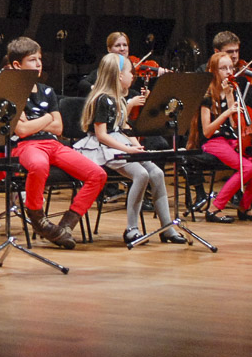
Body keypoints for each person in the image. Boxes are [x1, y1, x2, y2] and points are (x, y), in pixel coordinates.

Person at [2, 36, 107, 249]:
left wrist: (38, 122)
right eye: (32, 60)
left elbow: (58, 128)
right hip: (26, 146)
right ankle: (38, 219)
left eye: (39, 59)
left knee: (97, 174)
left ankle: (67, 224)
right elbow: (21, 131)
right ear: (17, 65)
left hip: (53, 145)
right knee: (39, 166)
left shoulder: (46, 91)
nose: (39, 63)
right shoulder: (11, 91)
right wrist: (48, 118)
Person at [75, 52, 182, 245]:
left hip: (119, 141)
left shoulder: (118, 99)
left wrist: (135, 145)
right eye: (130, 72)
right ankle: (131, 229)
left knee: (157, 173)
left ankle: (167, 228)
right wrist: (128, 150)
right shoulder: (102, 99)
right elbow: (102, 134)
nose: (133, 76)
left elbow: (122, 126)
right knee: (141, 175)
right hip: (103, 146)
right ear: (118, 75)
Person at [199, 51, 252, 223]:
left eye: (231, 68)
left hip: (232, 139)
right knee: (247, 168)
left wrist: (230, 96)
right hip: (213, 141)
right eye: (223, 68)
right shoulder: (207, 96)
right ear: (213, 71)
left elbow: (235, 124)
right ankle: (214, 208)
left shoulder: (234, 91)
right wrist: (226, 113)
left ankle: (244, 207)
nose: (229, 72)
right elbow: (207, 131)